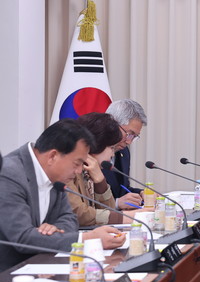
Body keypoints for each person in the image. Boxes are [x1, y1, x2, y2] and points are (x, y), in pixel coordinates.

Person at [0, 119, 126, 271]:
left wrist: (54, 230)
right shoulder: (9, 173)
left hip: (46, 264)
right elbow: (22, 237)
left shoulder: (55, 175)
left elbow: (69, 218)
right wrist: (87, 239)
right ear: (53, 156)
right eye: (77, 163)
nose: (79, 171)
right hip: (10, 273)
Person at [70, 113, 151, 227]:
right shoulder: (69, 171)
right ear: (96, 144)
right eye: (111, 148)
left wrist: (100, 182)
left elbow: (109, 210)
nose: (112, 155)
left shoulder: (91, 171)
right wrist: (129, 217)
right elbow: (80, 215)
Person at [104, 99, 147, 209]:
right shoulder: (91, 152)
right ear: (112, 124)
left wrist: (141, 194)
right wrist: (116, 203)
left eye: (134, 136)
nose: (129, 141)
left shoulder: (123, 151)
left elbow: (122, 190)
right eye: (129, 134)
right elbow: (84, 203)